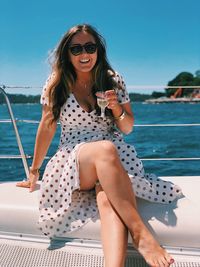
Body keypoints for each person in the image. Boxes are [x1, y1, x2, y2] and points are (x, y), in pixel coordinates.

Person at [17, 24, 182, 267]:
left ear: (98, 50)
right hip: (73, 160)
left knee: (107, 198)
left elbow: (127, 128)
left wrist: (116, 108)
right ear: (67, 53)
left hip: (114, 156)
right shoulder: (57, 82)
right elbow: (47, 127)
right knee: (104, 149)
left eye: (90, 47)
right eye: (76, 49)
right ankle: (141, 235)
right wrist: (34, 171)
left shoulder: (113, 79)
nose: (84, 54)